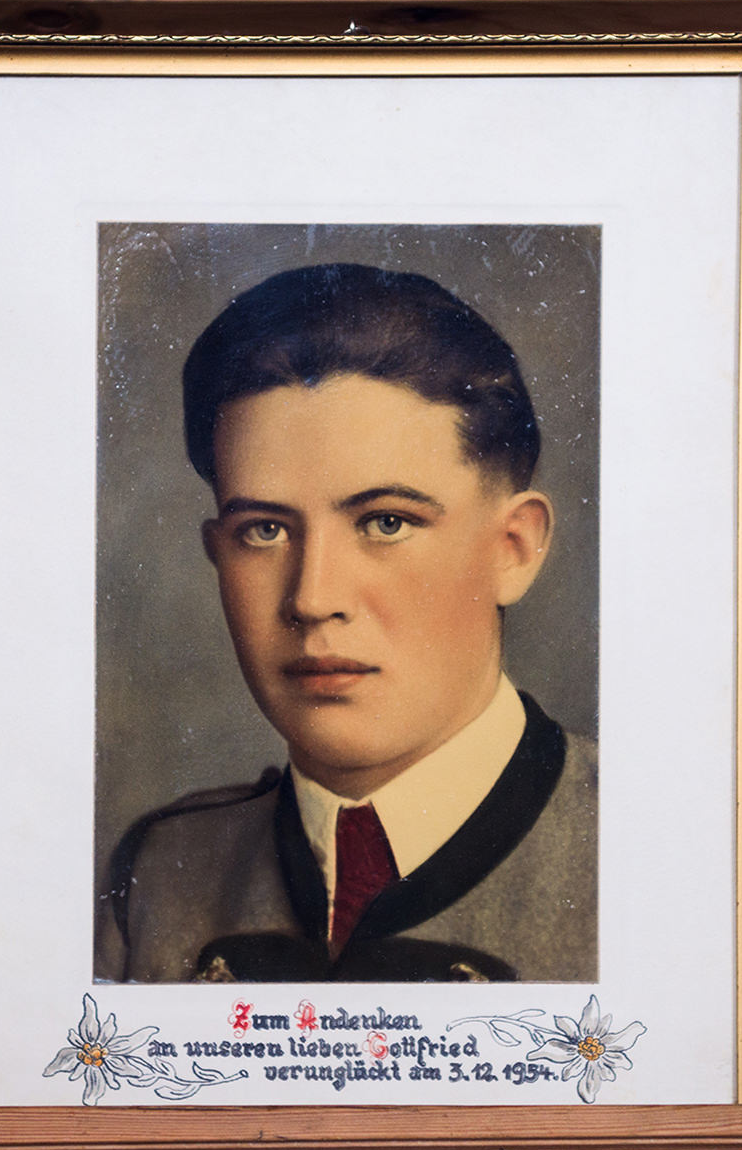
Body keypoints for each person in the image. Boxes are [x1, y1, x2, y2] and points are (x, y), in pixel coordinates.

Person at [96, 262, 596, 983]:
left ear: (511, 549)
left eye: (386, 522)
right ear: (217, 553)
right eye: (264, 531)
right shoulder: (159, 873)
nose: (312, 598)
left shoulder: (648, 849)